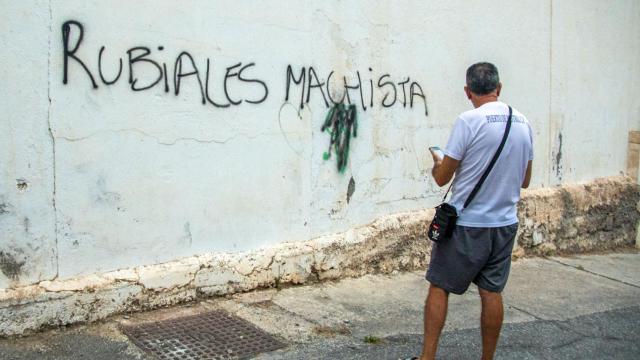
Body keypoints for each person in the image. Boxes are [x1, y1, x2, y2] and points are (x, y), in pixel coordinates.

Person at [419, 62, 533, 360]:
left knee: (439, 286)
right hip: (504, 223)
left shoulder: (469, 121)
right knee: (492, 292)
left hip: (467, 224)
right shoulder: (522, 122)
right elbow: (526, 180)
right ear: (499, 87)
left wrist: (437, 161)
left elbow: (443, 177)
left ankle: (428, 357)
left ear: (468, 92)